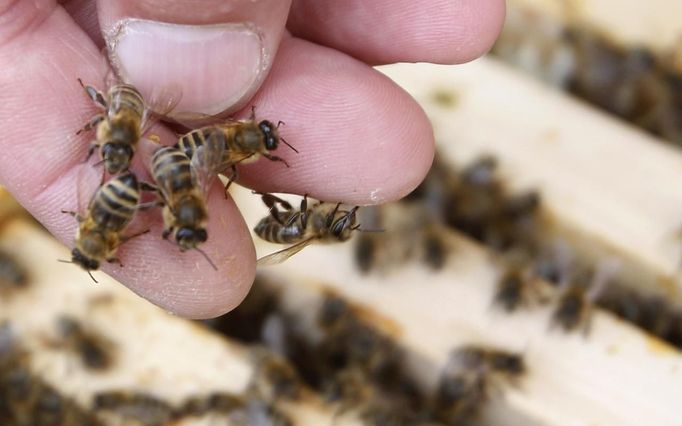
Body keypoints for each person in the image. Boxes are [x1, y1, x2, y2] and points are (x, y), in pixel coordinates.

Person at [0, 0, 506, 318]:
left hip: (184, 155)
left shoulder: (184, 180)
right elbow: (207, 156)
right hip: (182, 156)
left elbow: (213, 153)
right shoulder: (172, 189)